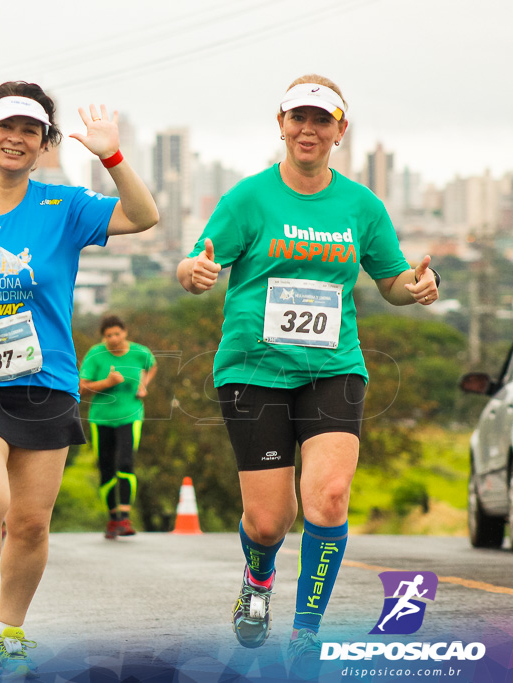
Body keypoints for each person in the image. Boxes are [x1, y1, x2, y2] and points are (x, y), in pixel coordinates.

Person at [175, 75, 439, 675]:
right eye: (299, 117)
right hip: (254, 370)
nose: (308, 129)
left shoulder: (362, 207)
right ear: (281, 123)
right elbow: (199, 260)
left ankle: (306, 633)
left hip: (334, 368)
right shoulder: (249, 198)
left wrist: (417, 288)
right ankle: (258, 578)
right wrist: (193, 271)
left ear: (340, 131)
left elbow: (392, 281)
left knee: (329, 498)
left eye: (322, 120)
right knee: (269, 522)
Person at [0, 81, 158, 679]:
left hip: (46, 380)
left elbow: (144, 217)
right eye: (6, 127)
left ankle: (11, 628)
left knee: (32, 522)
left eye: (31, 131)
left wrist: (111, 157)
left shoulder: (63, 208)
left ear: (44, 145)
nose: (16, 139)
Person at [79, 315, 157, 540]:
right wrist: (107, 383)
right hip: (101, 418)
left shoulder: (140, 352)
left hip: (131, 416)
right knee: (105, 467)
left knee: (125, 462)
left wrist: (143, 385)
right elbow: (82, 388)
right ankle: (113, 518)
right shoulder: (96, 355)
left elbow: (151, 367)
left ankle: (124, 516)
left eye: (117, 333)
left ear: (125, 332)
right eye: (108, 335)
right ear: (103, 337)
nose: (113, 338)